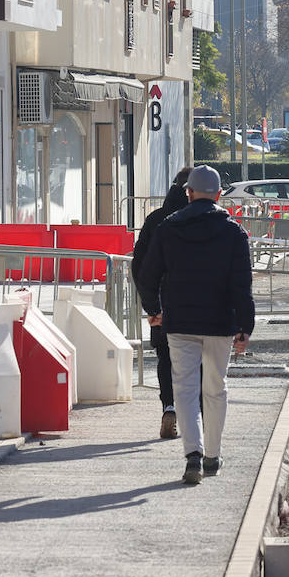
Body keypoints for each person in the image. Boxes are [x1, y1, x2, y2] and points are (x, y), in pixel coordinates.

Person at [137, 165, 255, 485]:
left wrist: (154, 309)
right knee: (216, 388)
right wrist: (245, 326)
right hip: (220, 323)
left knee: (185, 390)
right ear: (219, 195)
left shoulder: (167, 228)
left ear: (188, 193)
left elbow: (147, 273)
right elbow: (241, 285)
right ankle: (213, 455)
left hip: (180, 322)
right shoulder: (234, 232)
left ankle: (193, 456)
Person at [132, 167, 191, 439]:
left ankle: (169, 407)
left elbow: (139, 265)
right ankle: (195, 419)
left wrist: (151, 306)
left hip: (164, 304)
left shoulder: (155, 219)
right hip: (195, 304)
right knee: (195, 360)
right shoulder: (200, 219)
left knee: (166, 356)